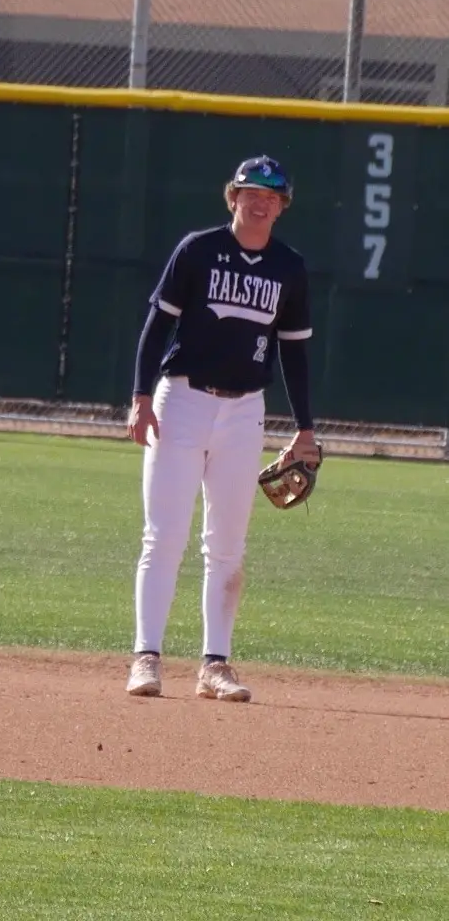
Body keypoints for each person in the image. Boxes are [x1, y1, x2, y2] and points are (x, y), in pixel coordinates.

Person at [125, 154, 320, 702]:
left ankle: (215, 665)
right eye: (251, 193)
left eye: (271, 197)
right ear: (232, 197)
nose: (260, 203)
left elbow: (295, 352)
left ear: (281, 208)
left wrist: (305, 428)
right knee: (163, 536)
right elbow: (157, 326)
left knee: (228, 546)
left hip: (244, 411)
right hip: (182, 401)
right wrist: (141, 397)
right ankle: (146, 657)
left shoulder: (289, 267)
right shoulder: (198, 250)